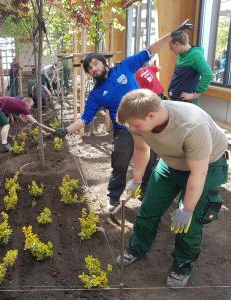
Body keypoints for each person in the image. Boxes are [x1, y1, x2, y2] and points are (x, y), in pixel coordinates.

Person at [55, 20, 195, 211]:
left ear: (103, 62)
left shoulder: (125, 67)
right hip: (124, 132)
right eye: (90, 68)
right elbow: (85, 119)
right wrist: (67, 129)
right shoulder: (96, 94)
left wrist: (172, 33)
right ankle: (113, 199)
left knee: (150, 164)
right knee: (119, 166)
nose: (94, 69)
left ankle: (146, 196)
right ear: (89, 73)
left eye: (95, 63)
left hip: (149, 127)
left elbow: (150, 50)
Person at [115, 88, 228, 288]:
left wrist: (187, 209)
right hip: (171, 163)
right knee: (149, 209)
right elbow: (142, 149)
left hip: (206, 166)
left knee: (188, 223)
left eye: (135, 124)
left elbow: (198, 173)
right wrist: (137, 180)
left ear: (151, 116)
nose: (132, 128)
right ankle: (137, 247)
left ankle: (183, 264)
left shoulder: (191, 126)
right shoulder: (140, 123)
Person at [168, 31, 213, 105]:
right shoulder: (180, 55)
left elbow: (208, 74)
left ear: (177, 44)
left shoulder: (195, 56)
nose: (170, 49)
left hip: (188, 105)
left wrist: (194, 96)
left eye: (171, 47)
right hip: (177, 101)